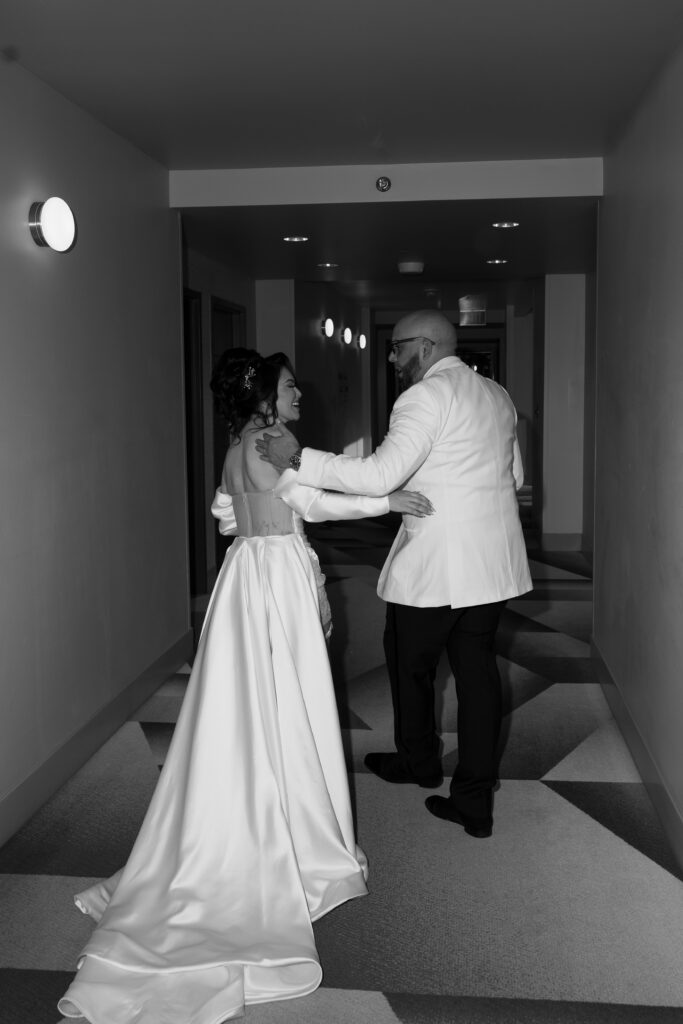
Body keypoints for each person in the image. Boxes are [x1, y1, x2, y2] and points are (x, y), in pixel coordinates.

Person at [57, 349, 433, 1024]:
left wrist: (271, 531)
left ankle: (276, 809)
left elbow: (227, 517)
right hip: (274, 580)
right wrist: (386, 500)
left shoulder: (236, 446)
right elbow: (309, 502)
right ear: (263, 395)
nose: (298, 397)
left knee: (247, 703)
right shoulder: (268, 442)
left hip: (243, 577)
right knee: (286, 703)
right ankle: (287, 830)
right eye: (289, 389)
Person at [256, 311, 532, 840]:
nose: (391, 357)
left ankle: (419, 762)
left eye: (397, 347)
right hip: (494, 565)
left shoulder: (423, 397)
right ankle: (474, 800)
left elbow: (380, 474)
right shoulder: (496, 394)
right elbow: (514, 475)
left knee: (410, 666)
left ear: (425, 347)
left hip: (435, 567)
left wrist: (299, 458)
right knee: (478, 676)